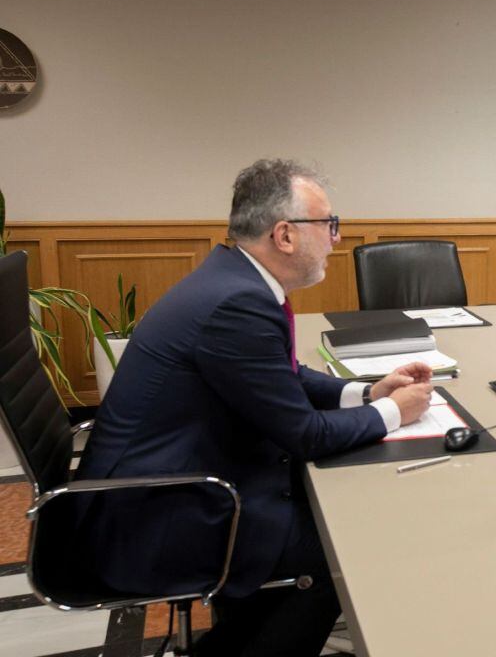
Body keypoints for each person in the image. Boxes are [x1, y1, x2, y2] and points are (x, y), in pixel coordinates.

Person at [74, 159, 435, 656]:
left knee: (330, 511)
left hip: (167, 481)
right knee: (339, 548)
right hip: (153, 515)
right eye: (328, 224)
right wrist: (395, 413)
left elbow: (283, 375)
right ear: (284, 235)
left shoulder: (234, 280)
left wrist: (368, 394)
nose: (336, 239)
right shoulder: (237, 303)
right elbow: (305, 435)